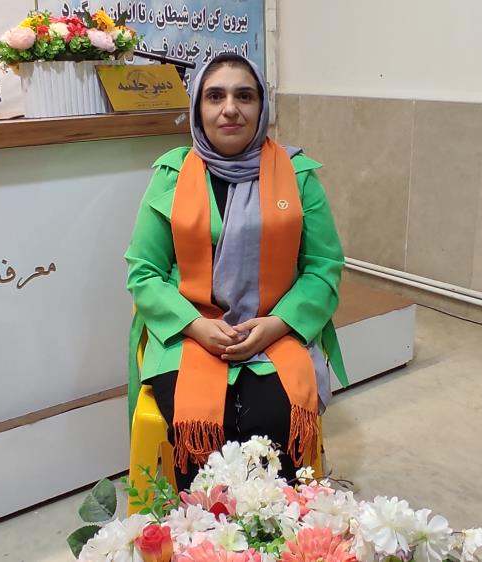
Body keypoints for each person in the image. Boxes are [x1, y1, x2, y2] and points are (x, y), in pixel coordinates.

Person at [124, 53, 348, 491]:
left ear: (262, 107)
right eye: (215, 96)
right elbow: (144, 271)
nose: (230, 108)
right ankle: (204, 527)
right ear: (197, 108)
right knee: (202, 427)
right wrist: (195, 326)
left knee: (275, 420)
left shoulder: (298, 176)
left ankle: (273, 526)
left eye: (244, 96)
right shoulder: (171, 175)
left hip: (276, 331)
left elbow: (323, 268)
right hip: (190, 333)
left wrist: (275, 325)